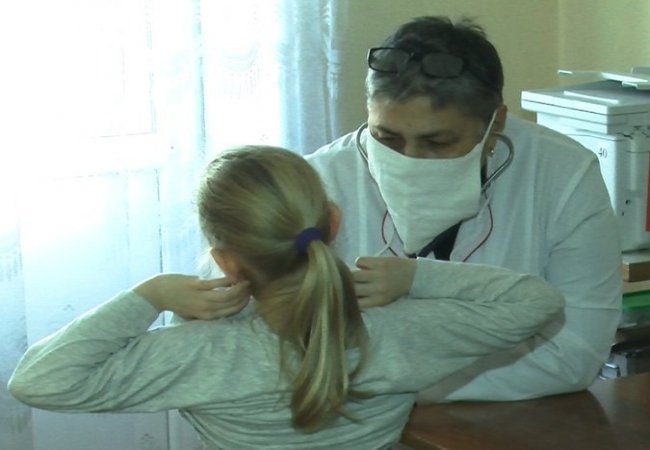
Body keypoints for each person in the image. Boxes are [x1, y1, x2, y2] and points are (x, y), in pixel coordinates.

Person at [8, 145, 563, 449]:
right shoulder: (399, 330)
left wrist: (148, 296)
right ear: (333, 222)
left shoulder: (201, 352)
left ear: (225, 259)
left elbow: (39, 380)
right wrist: (416, 275)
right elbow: (535, 301)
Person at [306, 15, 622, 402]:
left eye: (438, 142)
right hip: (356, 422)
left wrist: (387, 381)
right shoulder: (317, 181)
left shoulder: (564, 174)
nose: (409, 160)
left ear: (495, 126)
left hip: (512, 421)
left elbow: (574, 355)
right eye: (386, 138)